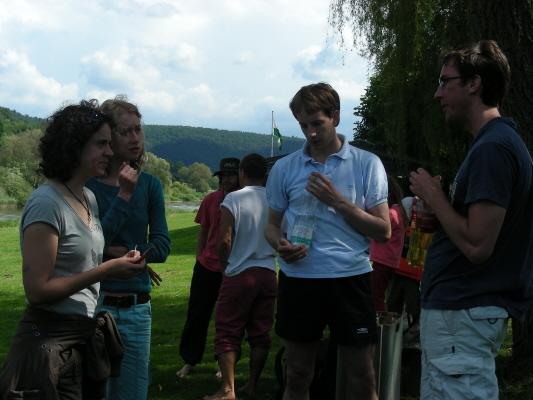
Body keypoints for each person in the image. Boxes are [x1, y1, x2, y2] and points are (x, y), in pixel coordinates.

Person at [409, 40, 533, 399]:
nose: (438, 94)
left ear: (474, 84)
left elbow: (478, 245)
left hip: (463, 315)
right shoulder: (493, 144)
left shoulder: (493, 149)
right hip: (459, 317)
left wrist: (434, 197)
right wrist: (440, 214)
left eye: (445, 82)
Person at [0, 101, 146, 399]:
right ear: (74, 146)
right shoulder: (47, 203)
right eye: (101, 144)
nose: (110, 152)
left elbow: (80, 262)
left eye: (109, 143)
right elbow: (37, 290)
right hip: (48, 343)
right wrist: (105, 270)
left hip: (83, 339)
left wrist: (115, 261)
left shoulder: (87, 197)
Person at [265, 82, 391, 400]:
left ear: (335, 116)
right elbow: (271, 226)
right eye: (303, 125)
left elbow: (383, 230)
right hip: (299, 279)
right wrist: (280, 244)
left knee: (361, 377)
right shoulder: (285, 168)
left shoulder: (366, 163)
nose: (310, 133)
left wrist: (338, 202)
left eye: (317, 123)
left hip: (350, 278)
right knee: (297, 374)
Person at [86, 97, 171, 399]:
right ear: (108, 137)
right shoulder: (88, 186)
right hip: (95, 305)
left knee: (133, 393)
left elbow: (162, 245)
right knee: (94, 392)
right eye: (126, 131)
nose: (135, 138)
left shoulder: (150, 185)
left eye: (138, 129)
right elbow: (90, 244)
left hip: (136, 308)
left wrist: (126, 253)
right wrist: (123, 195)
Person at [203, 153, 276, 400]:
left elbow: (224, 240)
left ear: (242, 173)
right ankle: (252, 385)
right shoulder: (275, 199)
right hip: (268, 272)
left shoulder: (233, 198)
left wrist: (226, 266)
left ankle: (227, 390)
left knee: (227, 331)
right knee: (261, 333)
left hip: (240, 273)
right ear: (265, 174)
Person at [177, 157, 241, 378]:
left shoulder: (244, 201)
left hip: (232, 268)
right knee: (196, 315)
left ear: (240, 177)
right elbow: (203, 231)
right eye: (223, 176)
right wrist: (199, 258)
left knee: (229, 319)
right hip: (206, 267)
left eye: (232, 176)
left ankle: (223, 364)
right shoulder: (211, 199)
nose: (227, 180)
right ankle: (189, 360)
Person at [370, 175, 409, 312]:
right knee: (378, 294)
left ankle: (380, 322)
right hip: (388, 262)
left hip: (381, 261)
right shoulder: (399, 211)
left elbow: (376, 231)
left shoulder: (391, 213)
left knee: (376, 296)